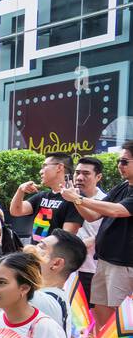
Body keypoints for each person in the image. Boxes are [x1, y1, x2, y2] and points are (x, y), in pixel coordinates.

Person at [64, 140, 133, 328]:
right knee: (102, 317)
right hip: (104, 261)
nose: (120, 165)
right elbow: (93, 216)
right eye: (119, 161)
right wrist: (77, 200)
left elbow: (118, 210)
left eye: (125, 162)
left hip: (123, 264)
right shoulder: (122, 186)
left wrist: (78, 198)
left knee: (122, 321)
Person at [32, 229, 86, 338]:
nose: (33, 248)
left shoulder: (43, 301)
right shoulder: (55, 297)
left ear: (56, 263)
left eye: (41, 247)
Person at [9, 153, 76, 241]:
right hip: (35, 252)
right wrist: (20, 191)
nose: (41, 171)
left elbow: (66, 237)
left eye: (44, 166)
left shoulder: (73, 199)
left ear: (59, 167)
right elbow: (16, 211)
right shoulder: (42, 196)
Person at [68, 156, 106, 298]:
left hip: (91, 268)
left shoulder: (105, 202)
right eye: (77, 173)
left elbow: (109, 233)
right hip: (68, 267)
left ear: (98, 177)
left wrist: (90, 241)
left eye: (86, 173)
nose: (79, 177)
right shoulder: (67, 197)